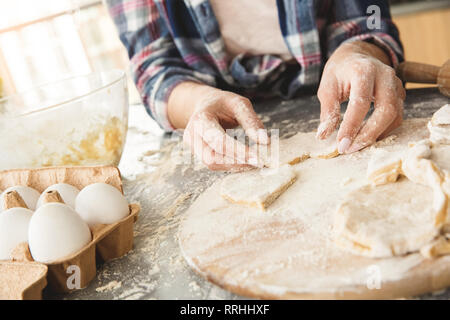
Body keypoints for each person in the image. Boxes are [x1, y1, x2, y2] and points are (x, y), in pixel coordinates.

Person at [106, 0, 405, 170]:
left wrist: (358, 52)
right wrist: (197, 103)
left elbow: (368, 20)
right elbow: (154, 68)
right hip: (221, 126)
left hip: (340, 102)